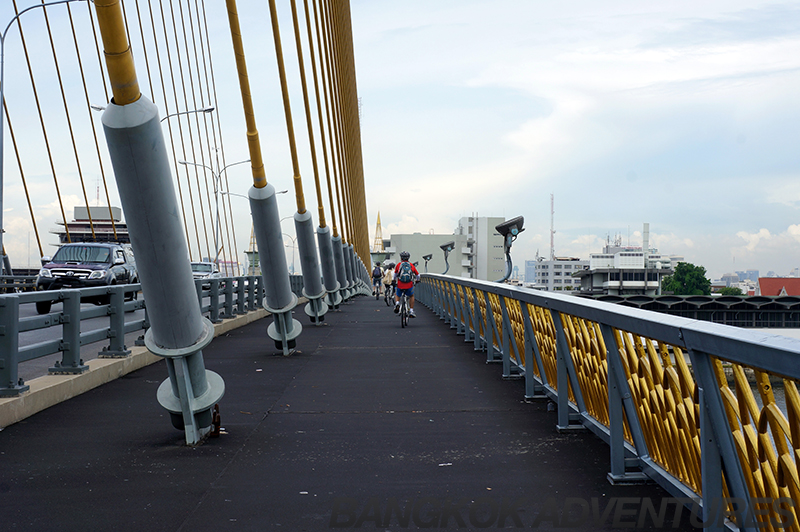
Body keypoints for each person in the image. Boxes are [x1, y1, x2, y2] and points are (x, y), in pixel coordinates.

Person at [394, 251, 420, 317]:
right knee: (411, 296)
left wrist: (394, 280)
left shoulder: (399, 265)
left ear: (401, 258)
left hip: (400, 285)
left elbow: (395, 275)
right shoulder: (411, 265)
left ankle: (397, 303)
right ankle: (411, 310)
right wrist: (417, 280)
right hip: (409, 285)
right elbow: (418, 275)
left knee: (397, 294)